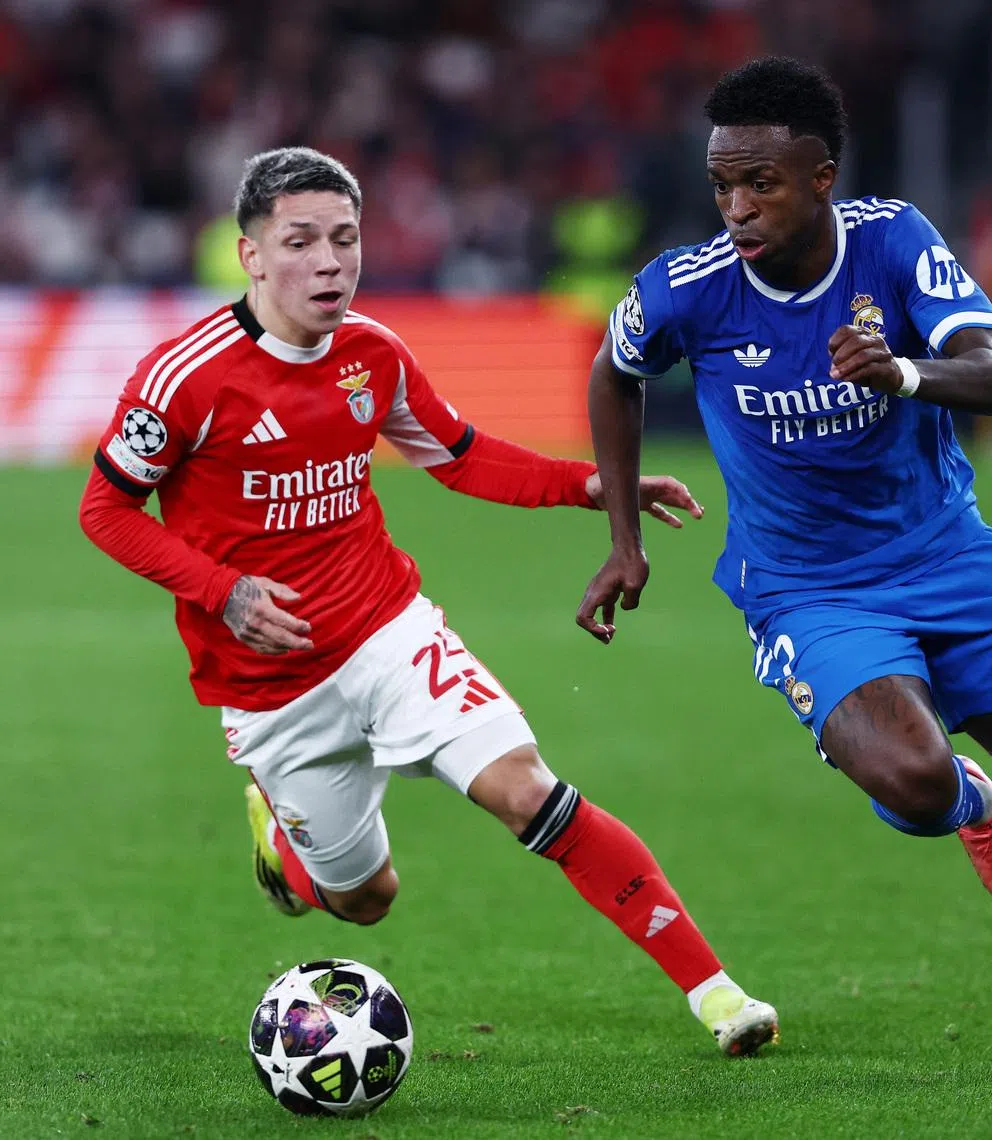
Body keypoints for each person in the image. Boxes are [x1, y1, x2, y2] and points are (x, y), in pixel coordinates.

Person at [78, 146, 778, 1059]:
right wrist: (224, 590)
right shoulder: (186, 379)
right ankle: (282, 844)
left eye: (346, 238)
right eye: (301, 242)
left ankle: (718, 994)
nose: (330, 261)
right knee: (367, 902)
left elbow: (459, 453)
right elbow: (104, 508)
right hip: (270, 687)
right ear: (250, 254)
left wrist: (593, 484)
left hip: (387, 634)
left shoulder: (373, 354)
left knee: (526, 791)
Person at [577, 56, 992, 1060]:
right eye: (722, 187)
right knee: (917, 783)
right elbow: (611, 375)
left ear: (821, 176)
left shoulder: (892, 244)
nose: (737, 209)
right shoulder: (689, 290)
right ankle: (971, 802)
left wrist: (904, 371)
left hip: (949, 556)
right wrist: (623, 540)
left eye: (762, 184)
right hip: (806, 587)